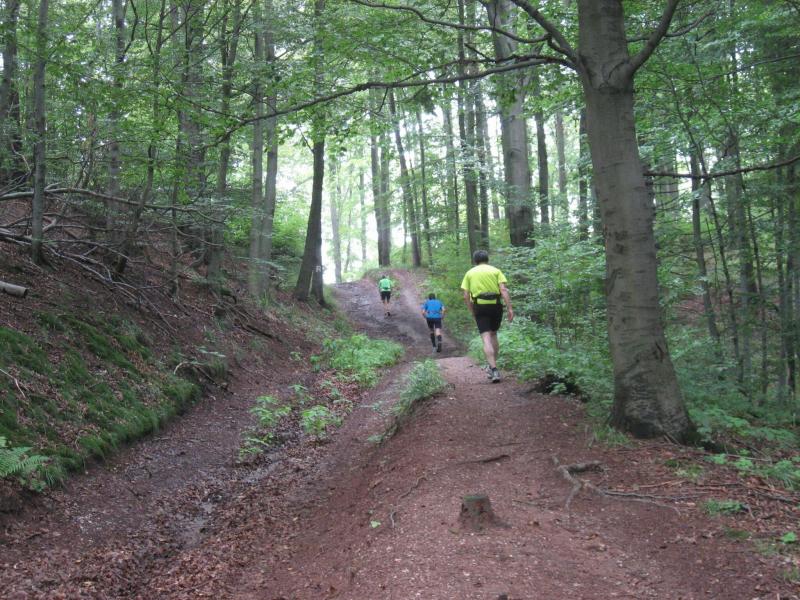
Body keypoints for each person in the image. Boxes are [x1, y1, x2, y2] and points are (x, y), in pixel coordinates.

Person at [461, 250, 513, 383]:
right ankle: (493, 365)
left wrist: (472, 310)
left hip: (480, 306)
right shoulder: (496, 271)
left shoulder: (469, 273)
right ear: (487, 259)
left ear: (475, 260)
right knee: (493, 335)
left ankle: (493, 369)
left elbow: (466, 295)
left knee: (486, 338)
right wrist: (510, 308)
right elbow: (503, 290)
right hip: (495, 306)